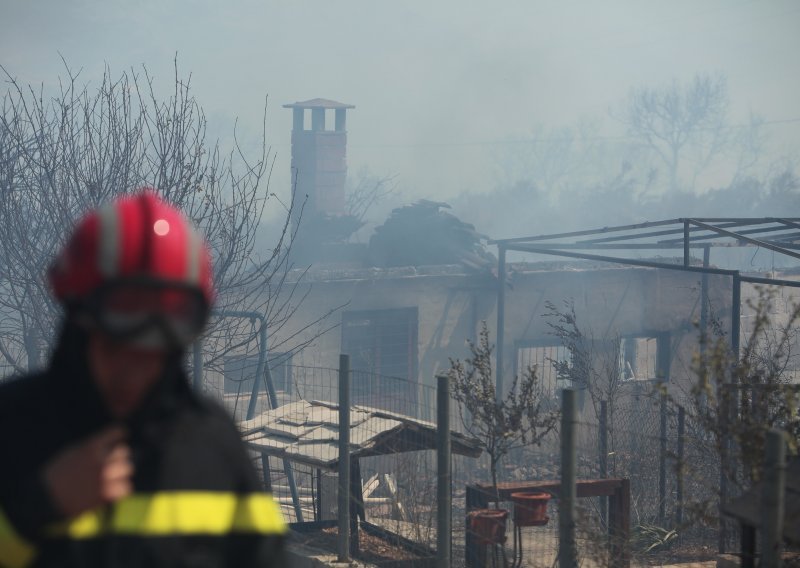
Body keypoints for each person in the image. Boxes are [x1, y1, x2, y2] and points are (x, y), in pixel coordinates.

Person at [0, 190, 287, 567]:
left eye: (156, 353)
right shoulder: (10, 427)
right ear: (79, 324)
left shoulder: (214, 444)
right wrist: (37, 508)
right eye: (119, 346)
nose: (136, 371)